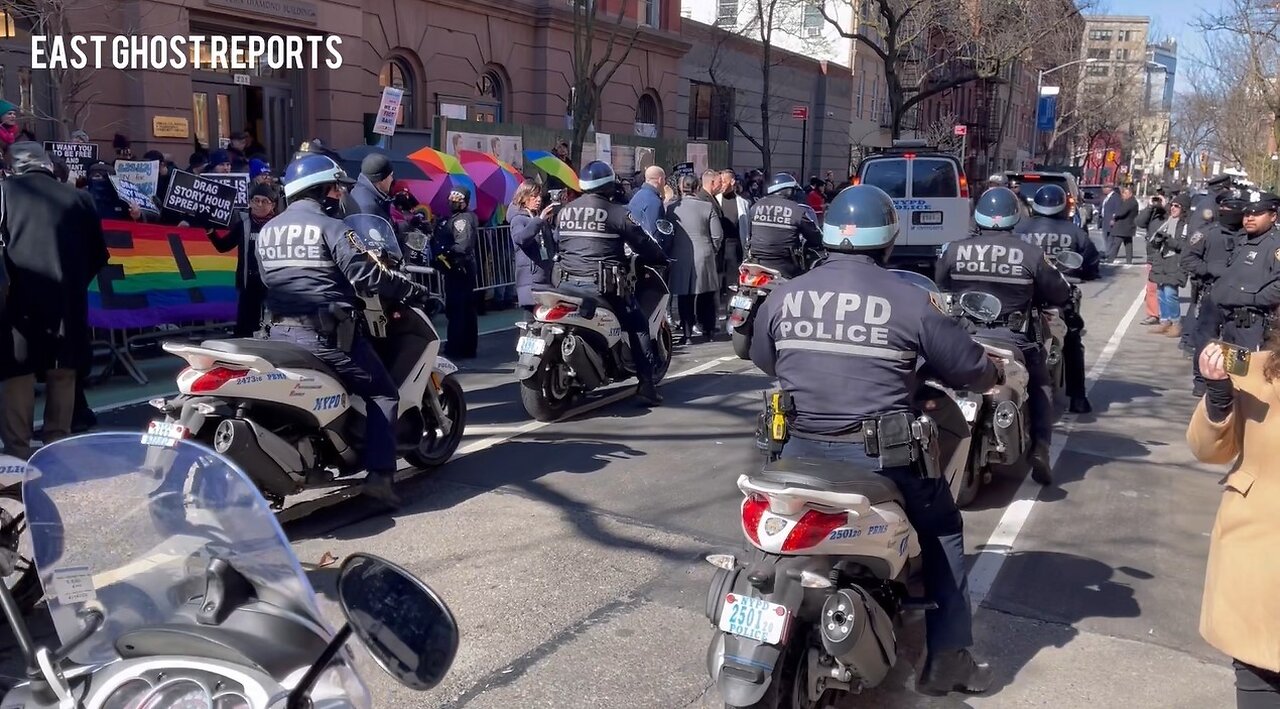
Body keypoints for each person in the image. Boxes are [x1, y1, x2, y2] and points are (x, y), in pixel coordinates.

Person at [751, 184, 999, 697]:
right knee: (943, 529)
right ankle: (947, 660)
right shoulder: (910, 302)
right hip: (879, 459)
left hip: (796, 451)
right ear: (888, 240)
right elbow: (971, 370)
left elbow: (765, 358)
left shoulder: (784, 294)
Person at [256, 153, 432, 507]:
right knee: (383, 393)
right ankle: (381, 478)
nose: (340, 195)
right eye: (336, 189)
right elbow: (367, 275)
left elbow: (266, 280)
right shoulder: (332, 227)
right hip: (326, 337)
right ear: (321, 191)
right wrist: (411, 289)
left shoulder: (267, 231)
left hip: (278, 335)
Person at [936, 186, 1071, 485]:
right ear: (1014, 216)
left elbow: (940, 283)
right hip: (1013, 338)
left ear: (979, 215)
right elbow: (1059, 293)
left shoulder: (953, 249)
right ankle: (1041, 447)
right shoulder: (1032, 254)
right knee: (1039, 384)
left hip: (964, 334)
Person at [1187, 341, 1280, 707]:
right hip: (1259, 557)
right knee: (1260, 681)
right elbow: (1208, 450)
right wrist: (1219, 395)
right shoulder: (1254, 370)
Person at [0, 143, 108, 458]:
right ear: (47, 164)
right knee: (62, 374)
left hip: (16, 302)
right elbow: (99, 255)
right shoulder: (79, 197)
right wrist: (72, 282)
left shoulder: (5, 192)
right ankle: (56, 447)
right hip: (66, 302)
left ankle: (17, 455)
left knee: (16, 376)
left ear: (14, 165)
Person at [554, 160, 666, 406]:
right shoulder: (617, 212)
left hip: (565, 284)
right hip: (603, 288)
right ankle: (646, 384)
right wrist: (659, 257)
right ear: (608, 184)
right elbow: (643, 243)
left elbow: (556, 243)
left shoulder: (565, 211)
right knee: (638, 324)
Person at [1015, 183, 1099, 414]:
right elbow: (1091, 264)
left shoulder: (1021, 229)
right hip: (1061, 295)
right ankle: (1078, 398)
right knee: (1072, 341)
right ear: (1064, 206)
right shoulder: (1076, 232)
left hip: (1026, 294)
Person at [1184, 193, 1246, 395]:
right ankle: (1201, 379)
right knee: (1206, 338)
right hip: (1212, 293)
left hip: (1242, 297)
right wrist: (1209, 267)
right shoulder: (1207, 234)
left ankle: (1235, 381)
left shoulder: (1250, 237)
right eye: (1228, 210)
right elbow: (1187, 260)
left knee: (1236, 340)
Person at [1212, 193, 1280, 351]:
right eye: (1247, 214)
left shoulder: (1275, 245)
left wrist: (1253, 298)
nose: (1249, 218)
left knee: (1248, 373)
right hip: (1229, 321)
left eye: (1257, 214)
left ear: (1273, 216)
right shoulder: (1243, 240)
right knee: (1227, 373)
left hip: (1255, 326)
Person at [208, 182, 276, 337]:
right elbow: (223, 247)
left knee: (270, 326)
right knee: (244, 328)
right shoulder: (243, 224)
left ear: (272, 205)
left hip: (272, 285)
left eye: (264, 201)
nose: (259, 205)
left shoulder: (279, 225)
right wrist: (210, 231)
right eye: (255, 200)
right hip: (248, 283)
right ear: (250, 202)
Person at [666, 174, 724, 344]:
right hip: (704, 253)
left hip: (680, 254)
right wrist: (713, 249)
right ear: (697, 188)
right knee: (706, 294)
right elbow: (717, 235)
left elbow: (668, 234)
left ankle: (687, 334)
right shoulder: (707, 207)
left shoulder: (672, 208)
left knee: (684, 296)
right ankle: (708, 330)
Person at [744, 173, 822, 278]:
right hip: (784, 266)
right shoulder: (796, 210)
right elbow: (814, 236)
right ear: (788, 190)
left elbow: (749, 233)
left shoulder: (756, 206)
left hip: (755, 263)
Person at [440, 187, 479, 359]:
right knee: (463, 308)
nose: (452, 203)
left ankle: (457, 347)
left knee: (458, 308)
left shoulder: (462, 219)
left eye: (456, 200)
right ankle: (464, 346)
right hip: (459, 267)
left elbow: (462, 245)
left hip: (460, 267)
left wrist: (444, 250)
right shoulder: (456, 218)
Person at [509, 181, 557, 317]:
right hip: (530, 280)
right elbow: (521, 239)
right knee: (530, 321)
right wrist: (539, 220)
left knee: (545, 321)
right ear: (523, 197)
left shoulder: (538, 218)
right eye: (534, 196)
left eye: (539, 196)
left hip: (544, 277)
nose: (538, 199)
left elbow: (553, 242)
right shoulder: (518, 219)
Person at [1147, 194, 1190, 338]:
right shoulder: (1166, 222)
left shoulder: (1185, 225)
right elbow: (1154, 242)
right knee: (1161, 293)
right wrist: (1157, 240)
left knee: (1171, 293)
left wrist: (1168, 240)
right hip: (1162, 260)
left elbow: (1184, 246)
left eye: (1176, 206)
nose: (1173, 208)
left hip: (1175, 262)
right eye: (1171, 205)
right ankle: (1165, 321)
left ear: (1183, 208)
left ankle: (1176, 323)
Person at [628, 165, 666, 250]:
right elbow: (654, 234)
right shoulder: (654, 202)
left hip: (634, 248)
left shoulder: (637, 195)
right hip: (647, 253)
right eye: (664, 179)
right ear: (660, 180)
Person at [351, 152, 395, 224]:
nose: (392, 179)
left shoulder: (358, 190)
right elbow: (375, 233)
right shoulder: (369, 206)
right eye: (390, 175)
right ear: (382, 179)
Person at [1106, 185, 1139, 264]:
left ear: (1130, 194)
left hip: (1123, 227)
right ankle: (1129, 260)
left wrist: (1115, 215)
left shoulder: (1129, 202)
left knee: (1116, 243)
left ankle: (1111, 259)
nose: (1123, 195)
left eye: (1125, 193)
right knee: (1128, 244)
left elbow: (1122, 212)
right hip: (1128, 226)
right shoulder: (1133, 201)